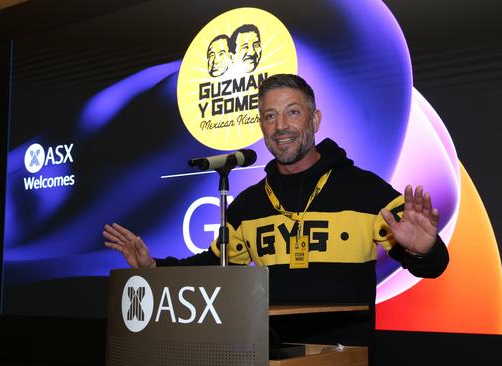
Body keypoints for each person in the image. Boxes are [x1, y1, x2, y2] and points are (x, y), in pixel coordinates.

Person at [103, 73, 448, 348]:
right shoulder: (249, 206)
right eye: (270, 116)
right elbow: (213, 267)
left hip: (345, 357)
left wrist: (426, 250)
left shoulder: (365, 190)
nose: (280, 125)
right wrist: (154, 267)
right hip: (271, 354)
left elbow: (432, 267)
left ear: (315, 119)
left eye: (292, 112)